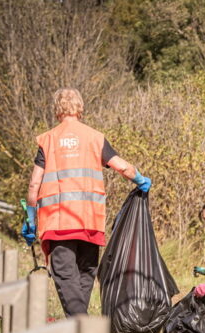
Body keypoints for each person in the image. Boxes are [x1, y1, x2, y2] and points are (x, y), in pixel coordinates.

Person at [22, 87, 152, 316]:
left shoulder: (49, 140)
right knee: (84, 274)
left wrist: (31, 218)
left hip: (58, 221)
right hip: (90, 221)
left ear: (57, 109)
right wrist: (140, 179)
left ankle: (80, 328)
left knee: (65, 276)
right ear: (80, 108)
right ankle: (81, 331)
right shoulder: (95, 138)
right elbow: (122, 166)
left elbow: (34, 185)